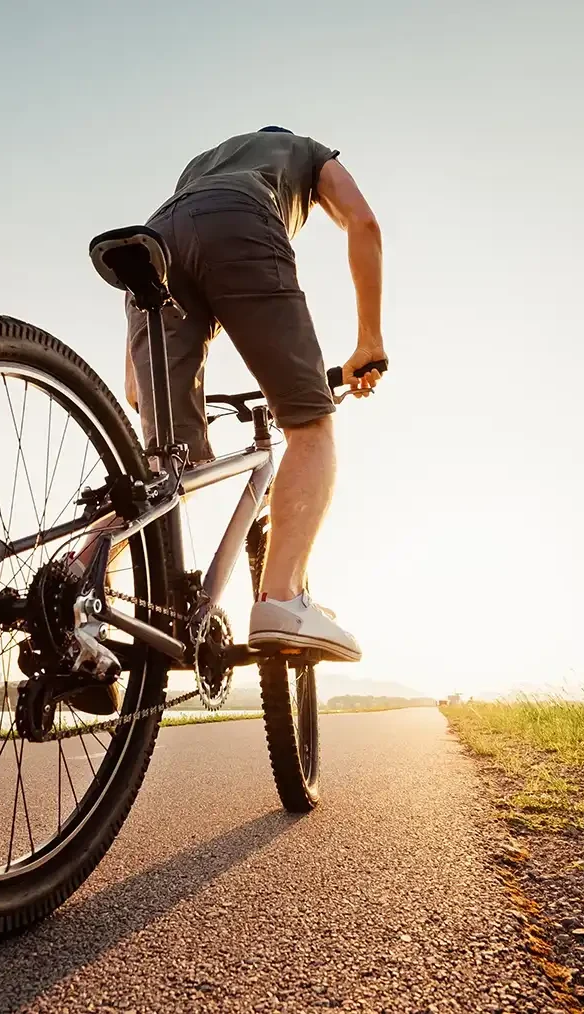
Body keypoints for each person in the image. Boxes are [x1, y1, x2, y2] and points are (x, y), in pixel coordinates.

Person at [123, 126, 384, 662]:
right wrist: (369, 342)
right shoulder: (305, 151)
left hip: (153, 243)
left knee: (167, 470)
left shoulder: (200, 165)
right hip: (240, 222)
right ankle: (281, 599)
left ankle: (80, 581)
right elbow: (363, 222)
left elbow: (187, 245)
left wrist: (142, 378)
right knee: (309, 426)